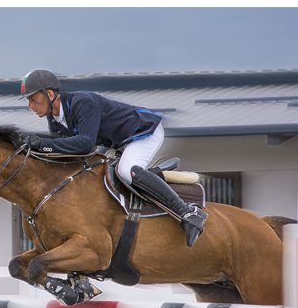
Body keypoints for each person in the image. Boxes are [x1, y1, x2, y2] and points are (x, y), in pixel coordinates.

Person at [17, 69, 207, 248]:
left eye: (33, 99)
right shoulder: (55, 120)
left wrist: (42, 143)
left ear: (50, 95)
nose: (30, 106)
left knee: (126, 171)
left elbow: (84, 145)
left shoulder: (82, 102)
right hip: (117, 142)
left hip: (142, 132)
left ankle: (188, 214)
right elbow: (69, 153)